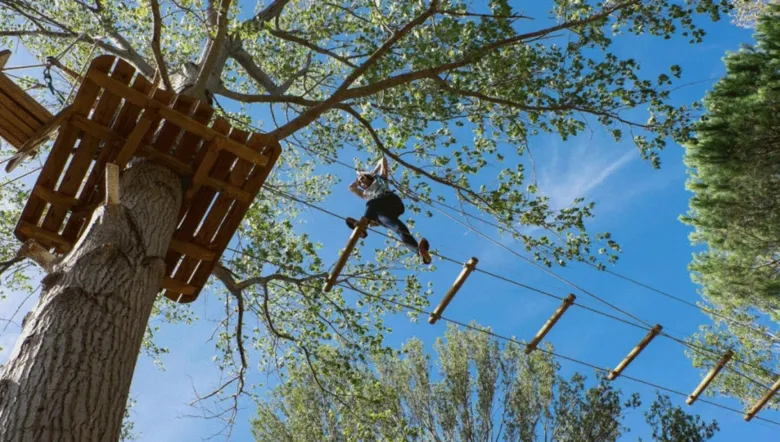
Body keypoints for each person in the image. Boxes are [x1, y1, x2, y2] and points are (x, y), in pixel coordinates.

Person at [346, 157, 431, 264]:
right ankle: (419, 252)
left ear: (370, 177)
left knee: (371, 203)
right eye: (360, 183)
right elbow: (351, 188)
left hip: (392, 202)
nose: (361, 182)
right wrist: (358, 179)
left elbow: (383, 160)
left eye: (362, 179)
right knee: (398, 228)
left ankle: (363, 225)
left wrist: (372, 172)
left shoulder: (381, 180)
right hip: (381, 213)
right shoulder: (364, 194)